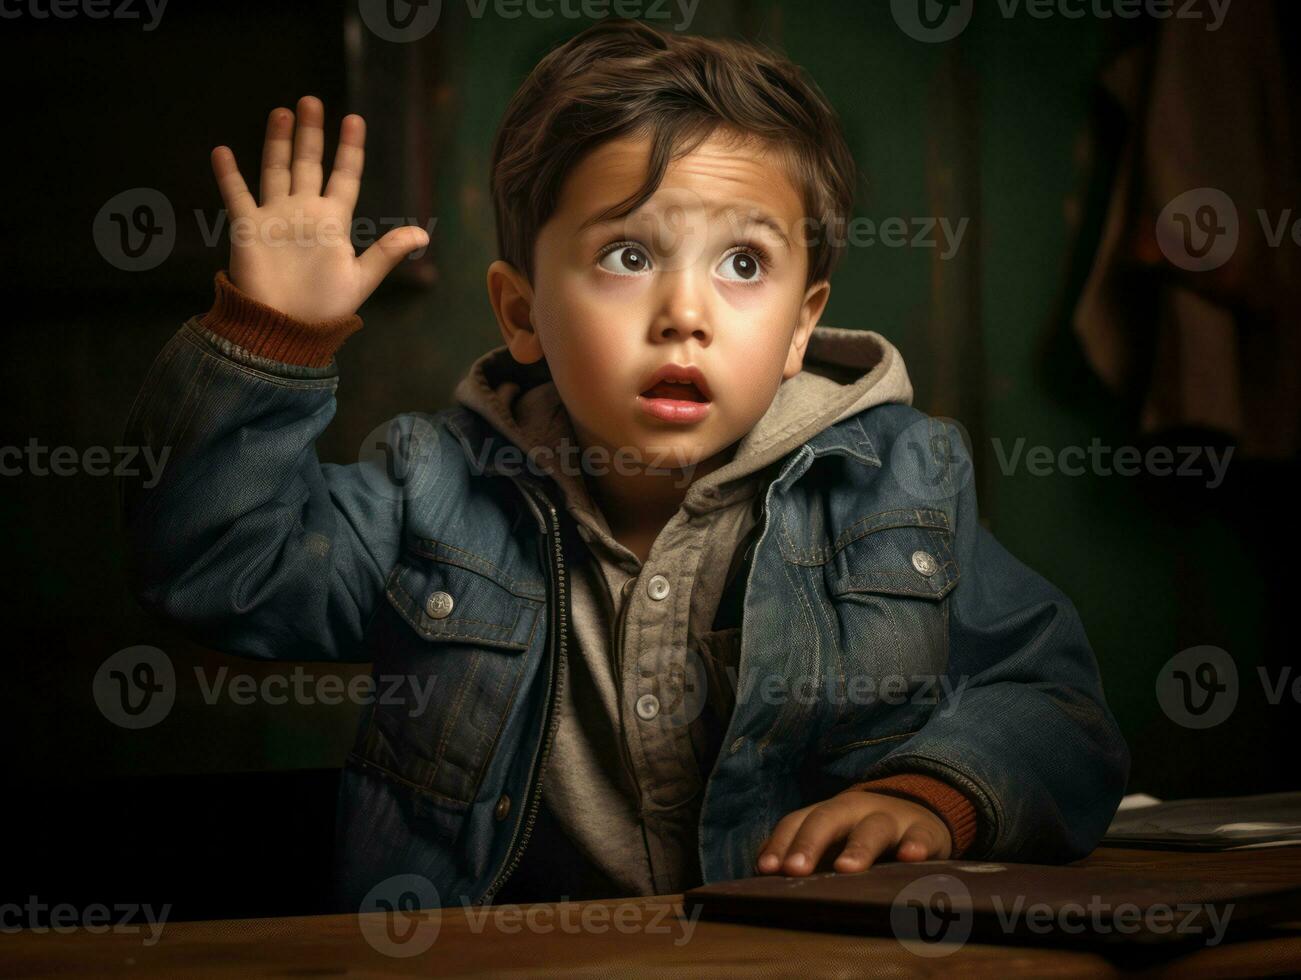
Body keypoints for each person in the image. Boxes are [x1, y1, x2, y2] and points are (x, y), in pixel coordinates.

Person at [119, 19, 1129, 910]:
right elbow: (217, 566)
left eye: (743, 264)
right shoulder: (427, 488)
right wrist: (272, 338)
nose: (684, 314)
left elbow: (1054, 703)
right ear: (520, 312)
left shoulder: (897, 479)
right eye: (628, 256)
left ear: (798, 326)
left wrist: (929, 796)